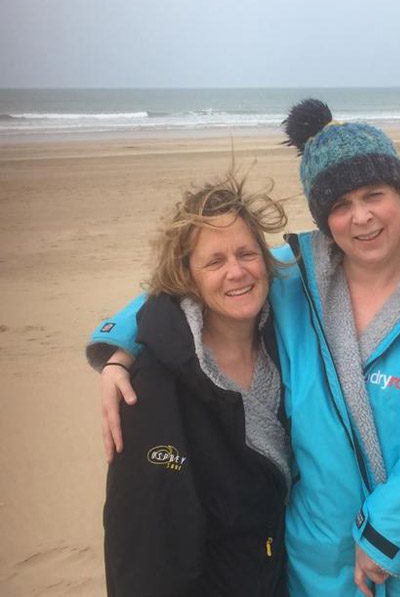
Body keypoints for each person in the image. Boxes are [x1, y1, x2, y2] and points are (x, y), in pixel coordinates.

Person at [89, 100, 400, 596]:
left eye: (373, 194)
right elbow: (198, 282)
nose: (360, 217)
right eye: (340, 205)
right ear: (324, 220)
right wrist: (121, 344)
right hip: (320, 564)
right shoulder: (297, 283)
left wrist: (387, 537)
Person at [101, 172, 291, 595]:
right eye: (215, 261)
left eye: (247, 253)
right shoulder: (150, 388)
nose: (237, 272)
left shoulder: (287, 343)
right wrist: (118, 354)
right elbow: (142, 549)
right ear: (187, 274)